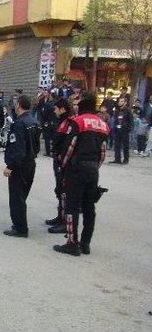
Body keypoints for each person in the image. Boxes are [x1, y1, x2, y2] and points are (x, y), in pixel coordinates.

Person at [53, 95, 109, 256]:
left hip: (76, 169)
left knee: (72, 206)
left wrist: (63, 167)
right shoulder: (103, 125)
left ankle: (72, 243)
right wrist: (94, 167)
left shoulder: (78, 122)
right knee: (89, 207)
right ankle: (85, 244)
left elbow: (70, 147)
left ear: (82, 107)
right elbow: (103, 152)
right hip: (93, 170)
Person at [3, 95, 40, 238]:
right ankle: (19, 224)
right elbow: (36, 146)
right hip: (30, 163)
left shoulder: (19, 123)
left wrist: (10, 166)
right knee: (22, 195)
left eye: (15, 103)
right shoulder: (34, 121)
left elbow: (18, 148)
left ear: (19, 105)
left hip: (20, 165)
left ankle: (20, 228)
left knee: (16, 197)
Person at [45, 99, 74, 234]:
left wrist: (62, 159)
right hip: (58, 160)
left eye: (56, 109)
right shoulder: (62, 122)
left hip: (64, 162)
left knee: (63, 191)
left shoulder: (70, 123)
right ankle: (60, 216)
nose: (55, 111)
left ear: (62, 109)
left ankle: (64, 222)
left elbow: (67, 143)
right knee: (59, 189)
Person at [110, 97, 134, 164]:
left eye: (122, 101)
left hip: (125, 130)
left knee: (125, 145)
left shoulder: (128, 110)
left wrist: (128, 129)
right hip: (117, 130)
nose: (120, 102)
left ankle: (126, 160)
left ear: (125, 102)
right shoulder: (117, 110)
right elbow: (115, 120)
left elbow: (131, 121)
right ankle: (117, 159)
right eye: (119, 101)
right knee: (117, 145)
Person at [41, 90, 57, 157]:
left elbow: (44, 114)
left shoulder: (47, 104)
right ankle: (54, 152)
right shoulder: (57, 103)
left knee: (47, 138)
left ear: (51, 96)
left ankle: (48, 152)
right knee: (54, 138)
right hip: (55, 122)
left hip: (48, 122)